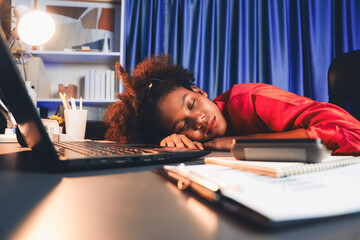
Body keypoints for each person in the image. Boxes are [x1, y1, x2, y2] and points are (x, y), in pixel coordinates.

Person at [104, 55, 360, 155]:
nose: (199, 120)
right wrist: (170, 143)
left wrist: (240, 144)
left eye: (192, 104)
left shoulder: (250, 99)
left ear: (199, 91)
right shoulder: (200, 141)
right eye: (183, 124)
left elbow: (352, 132)